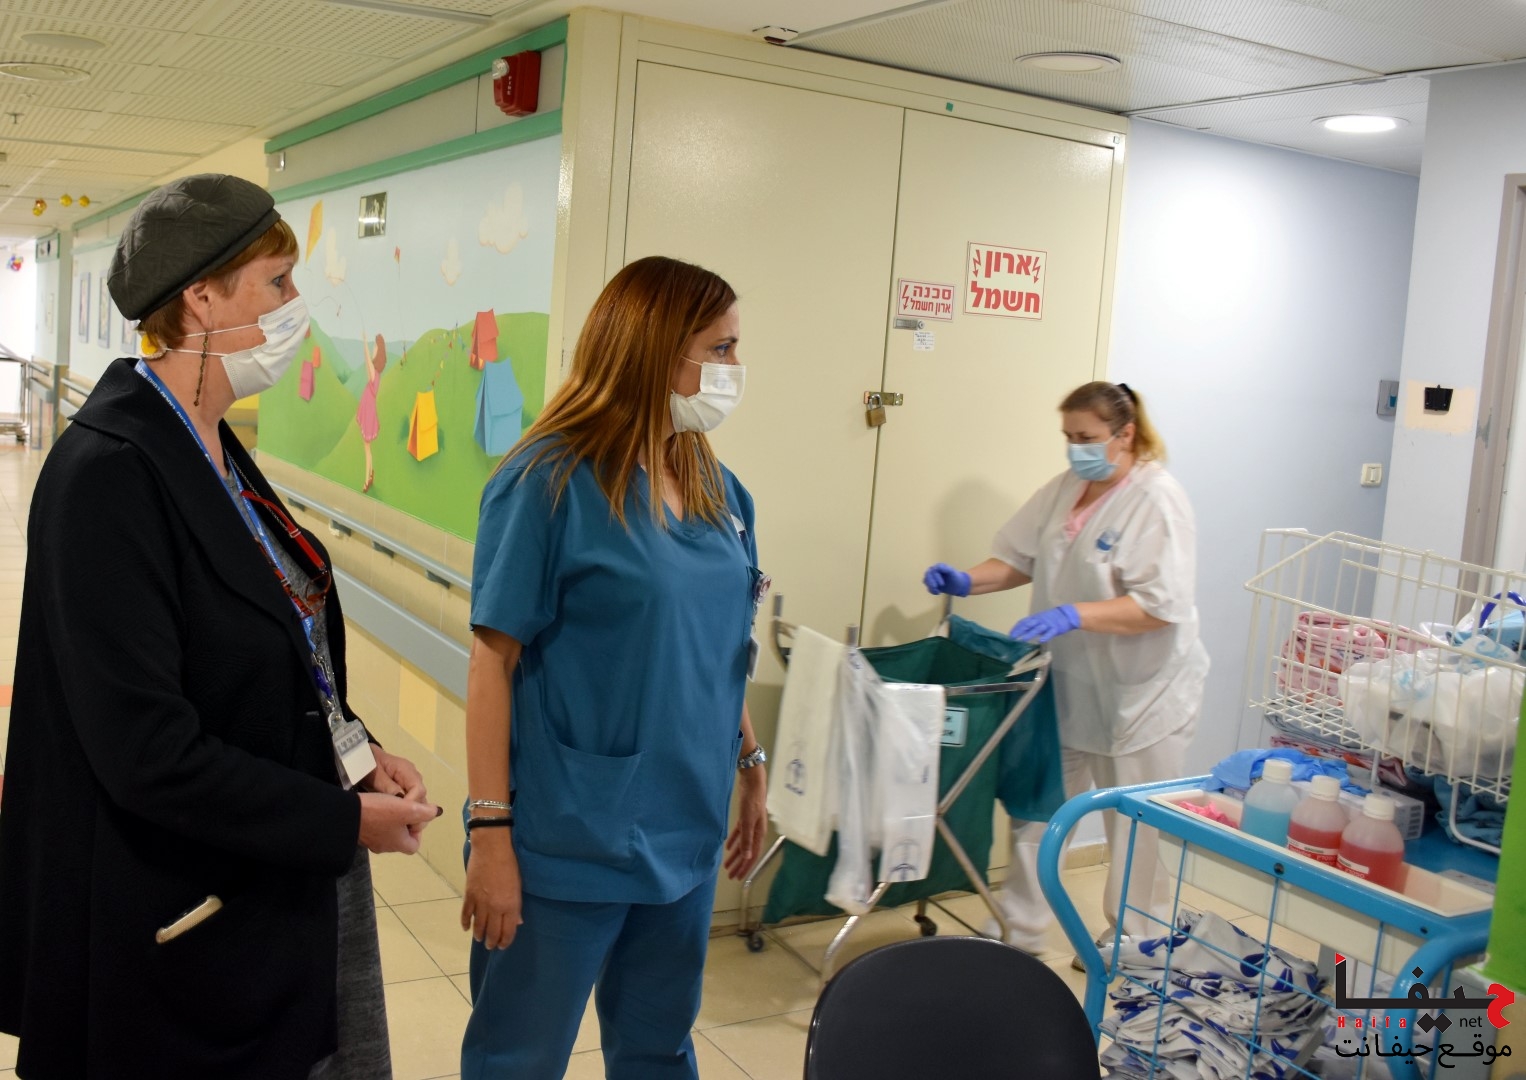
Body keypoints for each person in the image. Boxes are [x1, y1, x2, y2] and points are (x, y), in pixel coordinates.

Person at [0, 173, 440, 1080]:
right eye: (277, 282)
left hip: (277, 873)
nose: (295, 305)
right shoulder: (109, 475)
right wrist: (339, 819)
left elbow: (268, 652)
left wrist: (354, 753)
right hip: (180, 915)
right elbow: (146, 752)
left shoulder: (214, 447)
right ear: (200, 297)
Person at [459, 255, 768, 1079]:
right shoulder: (546, 482)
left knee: (658, 1050)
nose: (735, 368)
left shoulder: (719, 491)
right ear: (658, 350)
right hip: (568, 838)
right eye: (722, 348)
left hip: (686, 825)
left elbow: (718, 643)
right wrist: (491, 836)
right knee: (518, 1060)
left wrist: (749, 762)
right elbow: (491, 664)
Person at [923, 381, 1208, 954]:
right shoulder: (1064, 490)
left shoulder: (1157, 500)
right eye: (1069, 437)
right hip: (1070, 686)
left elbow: (1159, 607)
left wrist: (1075, 613)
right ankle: (1020, 928)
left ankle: (1137, 938)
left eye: (1087, 437)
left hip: (1143, 695)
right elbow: (1017, 559)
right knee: (1038, 810)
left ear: (1125, 434)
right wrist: (967, 581)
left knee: (1135, 826)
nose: (1076, 448)